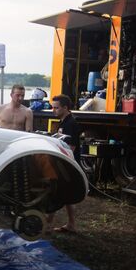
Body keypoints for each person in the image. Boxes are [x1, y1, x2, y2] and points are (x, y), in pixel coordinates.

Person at [47, 94, 80, 234]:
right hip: (64, 163)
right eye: (52, 107)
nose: (53, 110)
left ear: (65, 108)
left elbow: (71, 148)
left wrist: (60, 164)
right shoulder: (64, 121)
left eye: (56, 108)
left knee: (55, 193)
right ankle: (71, 224)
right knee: (65, 195)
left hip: (67, 163)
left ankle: (47, 224)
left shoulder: (71, 123)